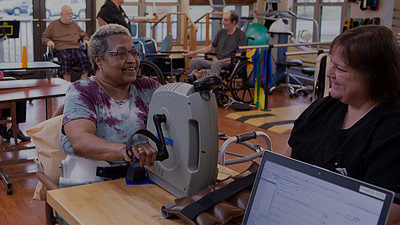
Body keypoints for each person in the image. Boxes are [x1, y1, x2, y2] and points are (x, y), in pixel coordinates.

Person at [283, 25, 400, 224]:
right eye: (331, 64)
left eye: (340, 68)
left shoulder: (392, 130)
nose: (329, 73)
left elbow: (388, 213)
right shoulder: (322, 109)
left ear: (373, 76)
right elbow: (285, 161)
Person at [59, 24, 159, 186]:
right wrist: (127, 151)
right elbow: (80, 141)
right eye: (120, 54)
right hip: (91, 180)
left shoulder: (149, 88)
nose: (132, 60)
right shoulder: (82, 91)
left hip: (146, 176)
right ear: (98, 60)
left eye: (134, 52)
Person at [184, 10, 247, 78]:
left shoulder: (241, 35)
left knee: (216, 64)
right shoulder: (221, 32)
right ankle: (191, 85)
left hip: (229, 63)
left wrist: (220, 61)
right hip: (216, 62)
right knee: (194, 62)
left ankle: (214, 86)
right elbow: (210, 47)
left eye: (225, 20)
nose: (223, 22)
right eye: (223, 20)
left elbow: (237, 57)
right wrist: (192, 52)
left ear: (233, 22)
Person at [42, 5, 91, 82]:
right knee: (65, 59)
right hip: (61, 49)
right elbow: (45, 37)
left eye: (71, 13)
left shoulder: (74, 25)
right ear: (61, 14)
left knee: (84, 58)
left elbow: (84, 35)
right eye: (68, 14)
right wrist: (49, 41)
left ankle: (83, 83)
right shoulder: (53, 25)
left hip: (75, 48)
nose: (71, 15)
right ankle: (67, 84)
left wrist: (85, 39)